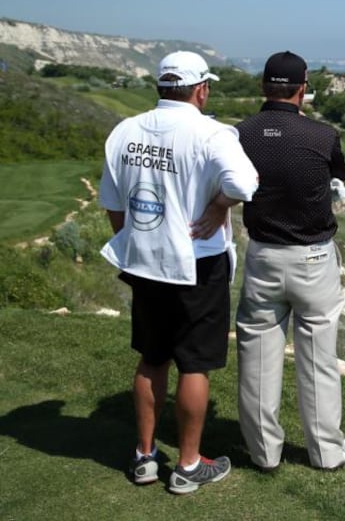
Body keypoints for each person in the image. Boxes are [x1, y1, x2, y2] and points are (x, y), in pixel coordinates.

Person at [98, 51, 259, 494]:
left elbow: (113, 204)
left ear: (161, 86)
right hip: (196, 262)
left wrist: (134, 246)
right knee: (195, 363)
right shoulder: (210, 133)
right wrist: (219, 206)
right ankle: (188, 465)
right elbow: (244, 184)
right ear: (201, 89)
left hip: (146, 262)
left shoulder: (124, 131)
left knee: (152, 357)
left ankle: (145, 456)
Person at [234, 51, 345, 471]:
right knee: (318, 357)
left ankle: (264, 453)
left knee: (258, 355)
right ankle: (326, 452)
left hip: (263, 255)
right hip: (313, 257)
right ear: (302, 88)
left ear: (264, 86)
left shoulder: (240, 134)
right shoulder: (322, 136)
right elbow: (339, 173)